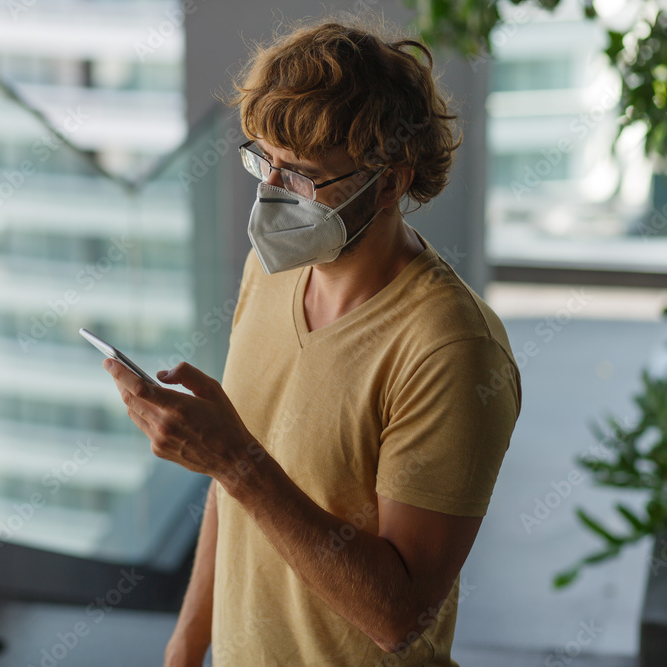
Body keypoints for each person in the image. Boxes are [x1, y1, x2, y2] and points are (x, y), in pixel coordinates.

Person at [103, 16, 522, 667]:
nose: (268, 194)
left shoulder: (451, 350)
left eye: (298, 175)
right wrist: (187, 645)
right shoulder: (269, 273)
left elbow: (399, 615)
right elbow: (231, 485)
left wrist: (236, 457)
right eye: (261, 160)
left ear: (389, 181)